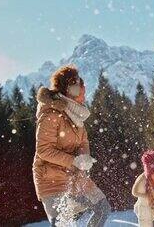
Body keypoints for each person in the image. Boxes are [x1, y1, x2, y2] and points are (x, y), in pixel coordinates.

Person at [33, 65, 111, 226]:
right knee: (63, 223)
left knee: (102, 208)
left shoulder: (76, 116)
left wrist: (84, 157)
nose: (85, 92)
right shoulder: (51, 114)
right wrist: (74, 161)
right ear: (72, 89)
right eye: (82, 88)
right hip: (51, 178)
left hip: (75, 177)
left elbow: (83, 142)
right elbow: (43, 150)